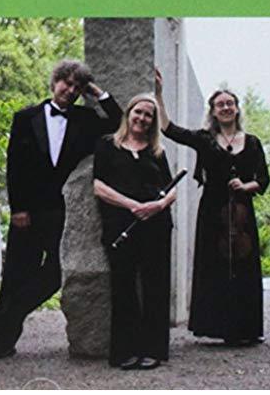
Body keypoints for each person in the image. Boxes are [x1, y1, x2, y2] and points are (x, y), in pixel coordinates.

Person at [0, 59, 122, 359]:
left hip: (61, 212)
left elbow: (118, 122)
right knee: (17, 273)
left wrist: (97, 92)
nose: (70, 90)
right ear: (55, 82)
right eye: (67, 83)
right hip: (28, 212)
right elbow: (15, 165)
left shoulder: (85, 119)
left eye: (77, 87)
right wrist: (18, 208)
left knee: (56, 274)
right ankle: (4, 342)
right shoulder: (25, 117)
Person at [155, 69, 270, 345]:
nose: (226, 108)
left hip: (241, 213)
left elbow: (263, 180)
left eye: (230, 103)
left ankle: (245, 328)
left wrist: (246, 186)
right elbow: (169, 129)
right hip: (212, 210)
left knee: (244, 268)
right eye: (220, 105)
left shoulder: (252, 142)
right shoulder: (204, 139)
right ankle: (215, 326)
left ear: (237, 108)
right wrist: (159, 95)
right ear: (213, 112)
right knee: (213, 266)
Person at [93, 93, 176, 370]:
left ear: (153, 121)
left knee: (156, 286)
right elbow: (99, 187)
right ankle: (124, 351)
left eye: (148, 115)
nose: (142, 118)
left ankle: (154, 350)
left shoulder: (157, 151)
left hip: (156, 225)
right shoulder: (108, 145)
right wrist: (133, 206)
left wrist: (158, 205)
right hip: (121, 225)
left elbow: (171, 189)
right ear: (128, 114)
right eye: (138, 112)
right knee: (123, 287)